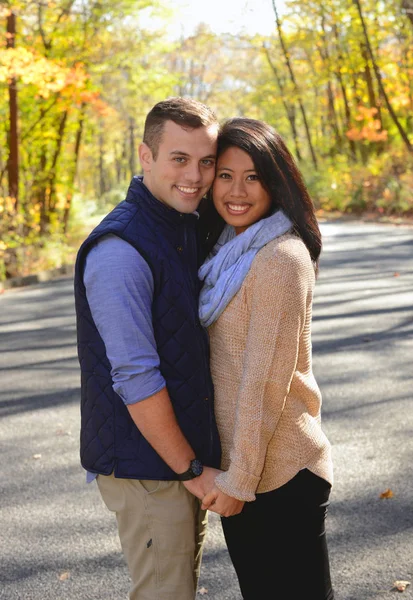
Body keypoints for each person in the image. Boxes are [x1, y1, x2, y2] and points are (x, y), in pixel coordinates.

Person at [74, 97, 224, 600]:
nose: (196, 176)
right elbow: (136, 377)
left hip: (174, 460)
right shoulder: (121, 248)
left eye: (206, 162)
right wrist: (191, 470)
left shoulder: (182, 226)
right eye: (179, 159)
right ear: (145, 156)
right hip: (151, 467)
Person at [198, 117, 335, 600]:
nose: (237, 190)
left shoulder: (280, 257)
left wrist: (239, 480)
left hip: (280, 472)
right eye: (226, 175)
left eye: (252, 176)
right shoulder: (228, 250)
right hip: (248, 465)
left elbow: (264, 383)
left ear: (276, 182)